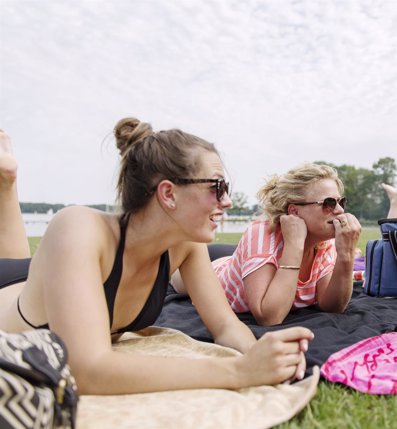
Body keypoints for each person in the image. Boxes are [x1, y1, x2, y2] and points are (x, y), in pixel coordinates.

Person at [0, 123, 313, 394]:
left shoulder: (186, 246)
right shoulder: (77, 227)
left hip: (45, 282)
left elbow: (226, 327)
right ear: (168, 194)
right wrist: (239, 372)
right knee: (13, 260)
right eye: (217, 187)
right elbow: (87, 370)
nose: (228, 201)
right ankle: (6, 179)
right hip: (9, 291)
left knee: (25, 263)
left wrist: (261, 355)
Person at [173, 163, 361, 326]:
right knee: (176, 279)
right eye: (328, 203)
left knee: (235, 259)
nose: (340, 210)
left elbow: (332, 307)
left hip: (241, 261)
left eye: (340, 201)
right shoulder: (261, 234)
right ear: (294, 212)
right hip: (215, 273)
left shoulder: (324, 242)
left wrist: (346, 254)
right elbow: (269, 317)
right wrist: (294, 246)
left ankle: (236, 259)